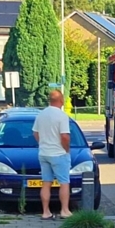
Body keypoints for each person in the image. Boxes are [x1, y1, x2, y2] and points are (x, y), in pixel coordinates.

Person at [32, 90, 72, 220]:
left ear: (50, 100)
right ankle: (65, 210)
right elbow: (65, 136)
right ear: (61, 101)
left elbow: (35, 133)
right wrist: (66, 150)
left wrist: (42, 143)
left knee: (46, 183)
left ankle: (45, 212)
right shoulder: (62, 116)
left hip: (43, 153)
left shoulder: (41, 115)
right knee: (64, 182)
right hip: (59, 154)